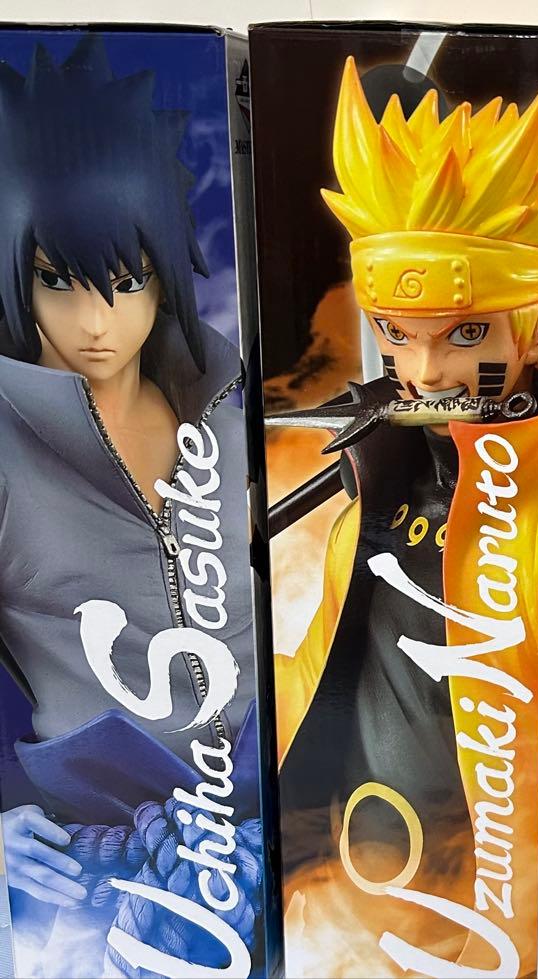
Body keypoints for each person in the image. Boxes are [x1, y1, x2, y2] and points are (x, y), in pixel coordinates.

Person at [270, 56, 538, 971]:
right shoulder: (375, 489)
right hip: (344, 889)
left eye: (466, 333)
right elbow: (316, 670)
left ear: (536, 327)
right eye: (398, 333)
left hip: (496, 913)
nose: (426, 372)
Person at [0, 35, 261, 977]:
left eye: (126, 280)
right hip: (90, 859)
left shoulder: (236, 405)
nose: (96, 322)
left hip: (272, 826)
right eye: (56, 280)